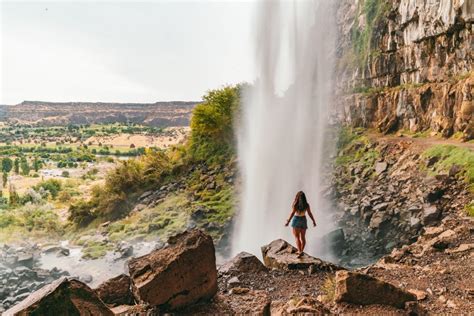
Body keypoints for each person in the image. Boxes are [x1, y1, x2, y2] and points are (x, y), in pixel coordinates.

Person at [285, 191, 316, 257]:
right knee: (303, 237)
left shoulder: (295, 204)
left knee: (297, 237)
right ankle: (301, 251)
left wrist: (288, 221)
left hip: (296, 219)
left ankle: (299, 251)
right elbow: (309, 213)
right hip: (303, 220)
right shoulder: (306, 205)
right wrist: (313, 221)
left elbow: (292, 213)